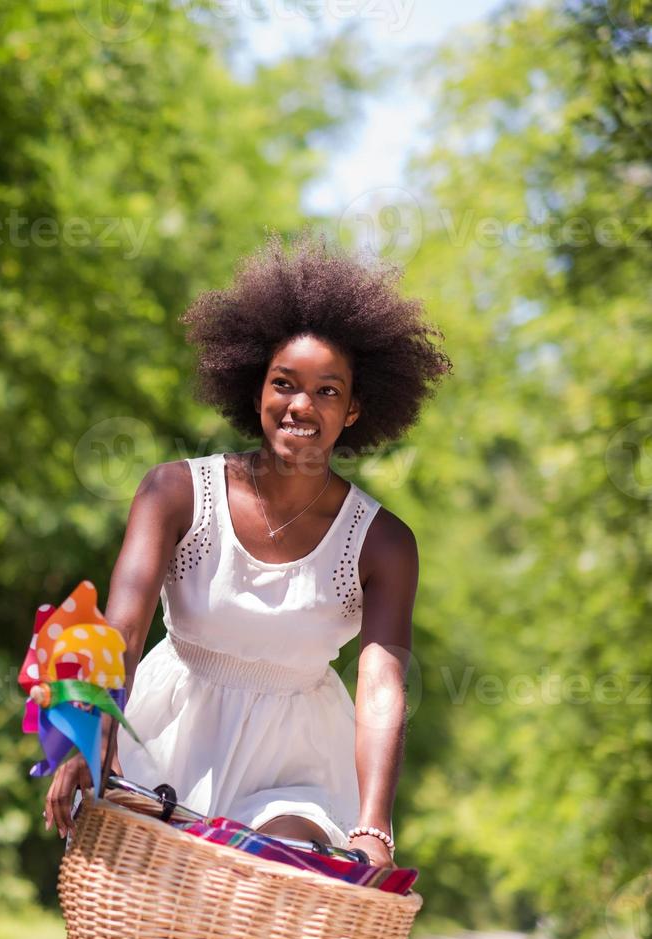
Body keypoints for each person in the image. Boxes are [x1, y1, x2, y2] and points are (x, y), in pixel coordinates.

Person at [44, 235, 451, 868]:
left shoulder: (384, 543)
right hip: (165, 726)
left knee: (275, 879)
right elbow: (123, 627)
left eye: (327, 391)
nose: (300, 406)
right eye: (284, 383)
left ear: (355, 409)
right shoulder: (174, 491)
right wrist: (87, 731)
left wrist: (374, 826)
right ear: (255, 386)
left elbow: (380, 684)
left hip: (296, 762)